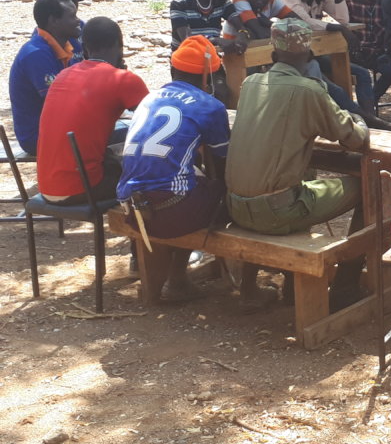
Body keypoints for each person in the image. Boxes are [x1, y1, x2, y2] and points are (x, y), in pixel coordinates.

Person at [225, 19, 370, 312]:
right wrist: (360, 120)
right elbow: (356, 140)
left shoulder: (251, 83)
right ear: (310, 57)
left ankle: (281, 285)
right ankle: (345, 286)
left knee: (300, 172)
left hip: (236, 207)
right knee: (370, 188)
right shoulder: (309, 90)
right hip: (276, 212)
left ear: (274, 56)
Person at [117, 36, 230, 302]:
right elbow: (224, 162)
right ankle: (227, 278)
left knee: (187, 181)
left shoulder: (148, 99)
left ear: (173, 69)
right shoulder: (210, 106)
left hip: (130, 205)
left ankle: (170, 281)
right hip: (172, 208)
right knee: (223, 195)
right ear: (208, 76)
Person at [36, 18, 149, 204]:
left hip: (47, 186)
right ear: (119, 45)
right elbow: (156, 124)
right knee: (149, 173)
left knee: (112, 157)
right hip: (83, 188)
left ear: (85, 47)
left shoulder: (64, 75)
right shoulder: (123, 79)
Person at [282, 0, 377, 117]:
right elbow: (304, 22)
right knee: (336, 90)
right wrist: (339, 28)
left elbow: (343, 19)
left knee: (362, 74)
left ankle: (370, 117)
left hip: (317, 53)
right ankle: (365, 119)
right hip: (298, 58)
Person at [9, 0, 81, 155]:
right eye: (72, 16)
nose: (78, 21)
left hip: (57, 128)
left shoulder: (64, 47)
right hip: (37, 136)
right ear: (53, 20)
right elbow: (60, 104)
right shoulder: (36, 54)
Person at [170, 0, 241, 103]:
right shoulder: (180, 3)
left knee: (222, 93)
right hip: (186, 62)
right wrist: (215, 40)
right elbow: (188, 40)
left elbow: (238, 22)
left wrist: (242, 35)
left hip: (211, 60)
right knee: (190, 100)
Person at [345, 0, 391, 104]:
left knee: (390, 70)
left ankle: (369, 103)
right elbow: (344, 24)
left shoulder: (386, 1)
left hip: (378, 51)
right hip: (356, 51)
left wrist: (385, 48)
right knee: (340, 69)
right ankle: (351, 106)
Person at [221, 0, 296, 43]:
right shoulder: (239, 1)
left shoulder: (273, 1)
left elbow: (299, 24)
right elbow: (261, 33)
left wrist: (270, 24)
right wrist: (272, 26)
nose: (259, 1)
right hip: (234, 49)